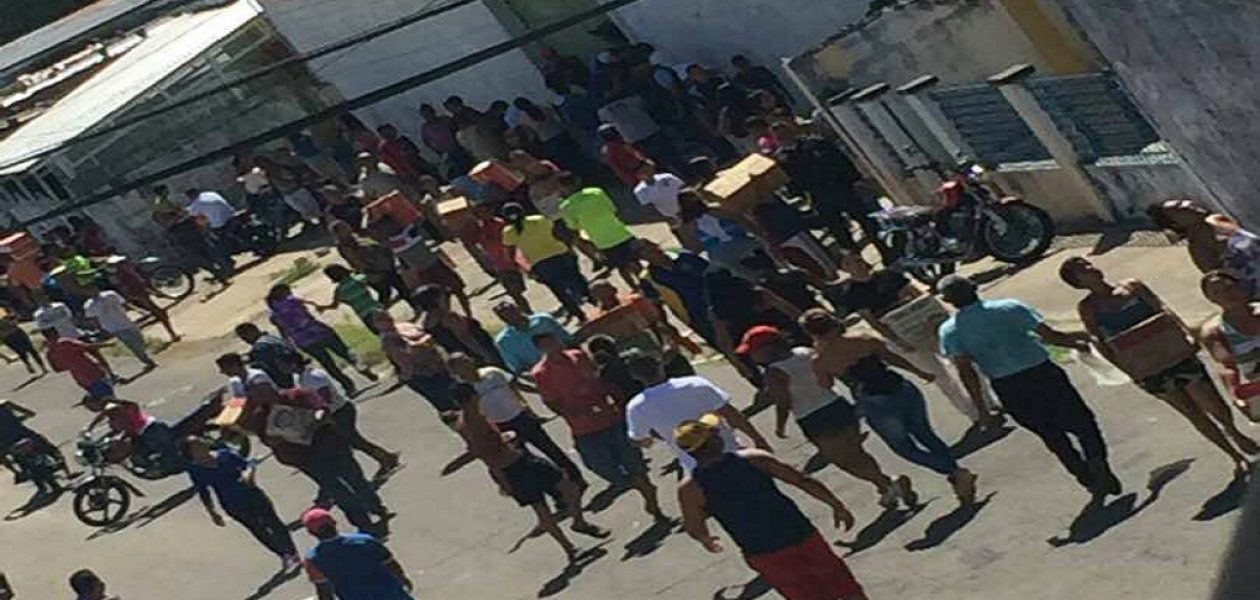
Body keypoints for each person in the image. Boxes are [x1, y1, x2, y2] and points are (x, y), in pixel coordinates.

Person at [1062, 258, 1256, 474]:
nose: (1091, 269)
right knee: (1192, 412)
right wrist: (1128, 371)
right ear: (1078, 283)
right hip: (1146, 366)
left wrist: (1186, 334)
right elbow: (1100, 340)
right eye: (1082, 270)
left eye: (1088, 264)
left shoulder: (1132, 286)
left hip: (1176, 353)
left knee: (1211, 401)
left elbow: (1163, 309)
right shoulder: (1089, 307)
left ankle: (1233, 432)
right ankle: (1234, 456)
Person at [937, 274, 1122, 499]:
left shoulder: (950, 332)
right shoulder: (1010, 307)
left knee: (1051, 435)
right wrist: (1078, 344)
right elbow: (1050, 336)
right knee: (1083, 422)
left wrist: (982, 409)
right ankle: (1097, 462)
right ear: (974, 288)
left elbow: (966, 372)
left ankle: (1084, 475)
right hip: (1043, 373)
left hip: (1009, 387)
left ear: (948, 301)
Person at [675, 415, 868, 600]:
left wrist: (706, 539)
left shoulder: (691, 488)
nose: (719, 434)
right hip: (800, 534)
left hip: (762, 552)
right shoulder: (753, 459)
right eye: (714, 432)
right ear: (710, 441)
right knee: (844, 585)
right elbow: (801, 480)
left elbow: (694, 526)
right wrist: (835, 504)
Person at [802, 310, 978, 505]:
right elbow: (892, 358)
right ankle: (957, 477)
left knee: (905, 448)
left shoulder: (821, 360)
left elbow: (825, 384)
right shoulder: (863, 337)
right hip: (900, 387)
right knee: (926, 434)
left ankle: (954, 472)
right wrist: (918, 372)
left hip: (874, 400)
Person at [739, 325, 908, 509]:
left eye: (754, 351)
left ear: (768, 348)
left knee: (843, 460)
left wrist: (780, 426)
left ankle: (887, 482)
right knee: (856, 452)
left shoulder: (774, 372)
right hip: (837, 405)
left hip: (814, 418)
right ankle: (886, 489)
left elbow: (783, 402)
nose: (752, 356)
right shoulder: (805, 351)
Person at [449, 383, 608, 560]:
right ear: (471, 398)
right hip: (512, 469)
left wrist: (504, 439)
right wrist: (503, 482)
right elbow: (485, 455)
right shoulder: (472, 424)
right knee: (542, 508)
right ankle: (569, 548)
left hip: (522, 459)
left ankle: (579, 523)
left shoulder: (473, 417)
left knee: (568, 486)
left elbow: (488, 446)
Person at [829, 251, 987, 420]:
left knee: (962, 362)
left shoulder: (888, 275)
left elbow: (916, 294)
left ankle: (987, 402)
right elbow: (873, 321)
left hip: (927, 326)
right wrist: (897, 340)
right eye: (851, 262)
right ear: (844, 268)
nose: (858, 263)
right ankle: (972, 412)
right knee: (939, 376)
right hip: (902, 336)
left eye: (858, 258)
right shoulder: (852, 293)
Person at [531, 333, 666, 520]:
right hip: (584, 428)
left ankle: (653, 504)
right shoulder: (541, 373)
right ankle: (634, 483)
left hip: (610, 418)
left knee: (634, 464)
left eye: (555, 341)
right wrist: (571, 413)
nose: (554, 346)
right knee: (601, 467)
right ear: (540, 349)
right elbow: (550, 401)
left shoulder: (578, 356)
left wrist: (614, 397)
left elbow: (598, 378)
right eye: (548, 344)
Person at [624, 351, 772, 471]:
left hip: (696, 465)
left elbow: (637, 439)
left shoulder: (636, 407)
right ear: (660, 365)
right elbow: (731, 414)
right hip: (730, 449)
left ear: (634, 376)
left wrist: (653, 438)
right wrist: (758, 439)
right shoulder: (695, 383)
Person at [447, 353, 583, 482]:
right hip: (501, 427)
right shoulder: (465, 390)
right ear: (455, 371)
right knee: (525, 460)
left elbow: (516, 386)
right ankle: (556, 485)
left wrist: (538, 394)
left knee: (550, 448)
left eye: (466, 360)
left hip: (521, 417)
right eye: (461, 365)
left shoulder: (492, 372)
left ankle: (576, 477)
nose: (467, 365)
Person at [183, 437, 300, 570]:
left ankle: (292, 552)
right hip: (233, 505)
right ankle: (283, 554)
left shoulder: (225, 455)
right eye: (196, 446)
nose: (202, 446)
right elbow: (204, 491)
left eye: (200, 442)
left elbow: (247, 465)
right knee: (258, 529)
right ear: (191, 453)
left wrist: (249, 473)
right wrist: (212, 512)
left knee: (274, 522)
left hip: (253, 495)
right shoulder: (196, 470)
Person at [283, 355, 401, 478]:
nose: (282, 369)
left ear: (293, 364)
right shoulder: (299, 377)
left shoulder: (313, 376)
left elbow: (325, 397)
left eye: (283, 366)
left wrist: (318, 414)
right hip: (332, 412)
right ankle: (386, 457)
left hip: (339, 411)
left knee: (354, 440)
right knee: (353, 440)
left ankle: (386, 459)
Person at [773, 123, 879, 254]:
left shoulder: (815, 143)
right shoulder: (782, 158)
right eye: (779, 136)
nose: (784, 137)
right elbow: (790, 181)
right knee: (839, 231)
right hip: (819, 195)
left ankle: (884, 250)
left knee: (865, 219)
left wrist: (856, 179)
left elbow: (841, 160)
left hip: (841, 187)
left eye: (785, 133)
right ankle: (856, 260)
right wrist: (798, 195)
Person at [266, 284, 378, 395]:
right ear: (282, 293)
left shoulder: (274, 315)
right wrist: (317, 306)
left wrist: (291, 345)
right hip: (319, 330)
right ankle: (362, 369)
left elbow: (283, 332)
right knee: (344, 352)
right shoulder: (292, 301)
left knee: (328, 364)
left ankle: (348, 385)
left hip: (304, 341)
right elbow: (308, 302)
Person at [501, 202, 590, 321]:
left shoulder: (508, 232)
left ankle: (579, 315)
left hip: (540, 263)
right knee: (577, 279)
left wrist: (524, 269)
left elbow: (510, 253)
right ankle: (595, 300)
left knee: (559, 290)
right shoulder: (539, 219)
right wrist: (569, 247)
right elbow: (555, 233)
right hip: (560, 253)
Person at [302, 508, 415, 600]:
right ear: (334, 523)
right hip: (390, 594)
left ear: (311, 533)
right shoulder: (365, 540)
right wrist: (403, 579)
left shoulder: (313, 558)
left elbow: (324, 590)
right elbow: (390, 564)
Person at [558, 173, 641, 286]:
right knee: (636, 262)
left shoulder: (566, 207)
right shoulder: (596, 192)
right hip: (621, 233)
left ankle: (634, 287)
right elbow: (613, 209)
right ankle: (648, 284)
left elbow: (573, 226)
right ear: (577, 181)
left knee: (622, 267)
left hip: (602, 241)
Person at [1200, 270, 1260, 422]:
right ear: (1210, 298)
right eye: (1217, 292)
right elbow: (1227, 366)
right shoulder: (1214, 332)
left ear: (1240, 286)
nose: (1226, 294)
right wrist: (1235, 395)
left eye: (1228, 288)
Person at [373, 310, 458, 416]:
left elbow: (404, 361)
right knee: (458, 391)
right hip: (438, 364)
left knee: (444, 403)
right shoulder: (406, 326)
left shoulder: (389, 339)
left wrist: (405, 377)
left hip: (422, 374)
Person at [413, 284, 503, 367]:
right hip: (478, 351)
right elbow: (466, 338)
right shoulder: (448, 317)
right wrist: (484, 354)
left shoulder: (427, 323)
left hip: (463, 359)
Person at [329, 220, 412, 307]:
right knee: (387, 292)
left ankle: (415, 307)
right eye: (343, 228)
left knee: (399, 287)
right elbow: (355, 260)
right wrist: (372, 271)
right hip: (374, 271)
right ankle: (378, 313)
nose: (348, 227)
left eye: (346, 225)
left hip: (384, 265)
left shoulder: (358, 236)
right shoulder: (345, 246)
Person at [469, 204, 533, 313]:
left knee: (526, 285)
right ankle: (528, 312)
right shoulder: (481, 229)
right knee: (514, 292)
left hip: (512, 259)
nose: (481, 215)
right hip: (500, 265)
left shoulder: (499, 224)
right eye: (478, 214)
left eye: (483, 212)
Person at [492, 301, 572, 376]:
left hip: (567, 361)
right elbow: (518, 369)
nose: (513, 317)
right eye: (507, 317)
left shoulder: (543, 320)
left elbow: (568, 341)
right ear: (503, 320)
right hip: (543, 374)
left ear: (519, 309)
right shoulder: (504, 341)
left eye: (513, 312)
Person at [83, 288, 156, 370]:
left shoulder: (110, 294)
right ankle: (147, 360)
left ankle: (144, 355)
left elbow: (125, 303)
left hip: (126, 321)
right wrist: (100, 329)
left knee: (139, 338)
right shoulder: (89, 305)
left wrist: (139, 310)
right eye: (88, 290)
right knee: (132, 344)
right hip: (114, 327)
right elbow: (93, 319)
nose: (92, 291)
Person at [43, 329, 115, 399]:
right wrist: (108, 344)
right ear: (56, 333)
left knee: (100, 398)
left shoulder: (50, 352)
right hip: (93, 371)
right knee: (110, 398)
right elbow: (88, 346)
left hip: (80, 378)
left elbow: (57, 369)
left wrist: (70, 364)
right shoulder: (65, 342)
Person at [183, 188, 237, 279]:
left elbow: (196, 217)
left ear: (190, 196)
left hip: (220, 224)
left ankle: (227, 263)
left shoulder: (196, 205)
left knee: (214, 245)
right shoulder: (210, 193)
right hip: (231, 215)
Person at [234, 323, 302, 389]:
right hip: (298, 372)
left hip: (287, 382)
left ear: (253, 331)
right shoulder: (270, 338)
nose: (245, 339)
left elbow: (262, 368)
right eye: (242, 337)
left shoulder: (259, 347)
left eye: (245, 335)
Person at [319, 264, 384, 332]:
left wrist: (323, 307)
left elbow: (334, 306)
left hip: (364, 315)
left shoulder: (339, 291)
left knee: (383, 335)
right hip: (376, 308)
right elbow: (375, 279)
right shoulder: (359, 279)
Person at [730, 54, 794, 108]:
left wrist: (788, 95)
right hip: (759, 104)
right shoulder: (738, 79)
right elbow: (743, 92)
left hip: (775, 96)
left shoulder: (761, 70)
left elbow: (776, 82)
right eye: (739, 64)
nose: (743, 66)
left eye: (743, 63)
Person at [0, 309, 46, 375]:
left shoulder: (2, 310)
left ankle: (42, 367)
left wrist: (13, 319)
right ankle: (31, 365)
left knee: (30, 349)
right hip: (8, 336)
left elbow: (15, 316)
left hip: (14, 333)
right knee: (23, 351)